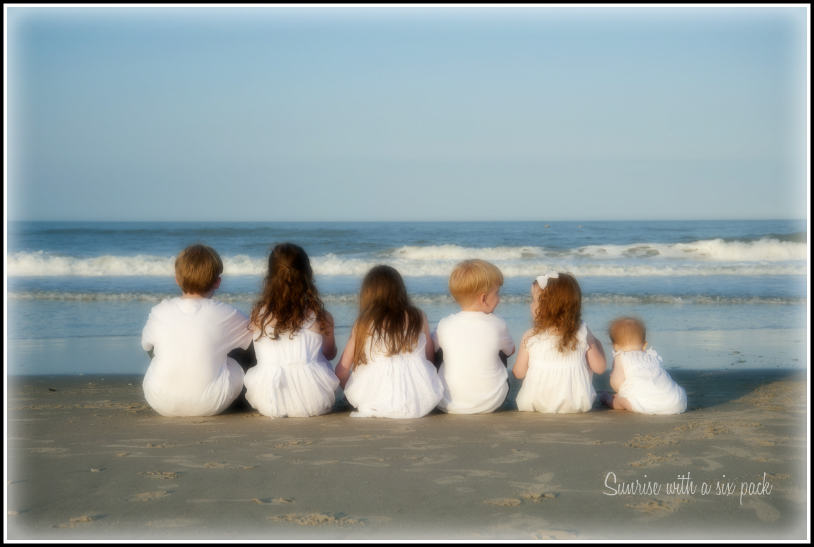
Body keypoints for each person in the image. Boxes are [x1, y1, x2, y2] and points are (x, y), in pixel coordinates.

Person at [142, 244, 253, 417]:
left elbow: (147, 347)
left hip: (159, 401)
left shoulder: (159, 311)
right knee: (245, 348)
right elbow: (257, 338)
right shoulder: (227, 313)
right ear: (217, 282)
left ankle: (175, 382)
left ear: (177, 280)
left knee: (158, 349)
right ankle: (243, 399)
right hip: (210, 403)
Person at [243, 243, 339, 418]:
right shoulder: (321, 317)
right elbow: (330, 354)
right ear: (308, 275)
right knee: (317, 355)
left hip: (269, 401)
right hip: (314, 400)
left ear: (270, 277)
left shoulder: (257, 315)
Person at [335, 265, 444, 419]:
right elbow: (430, 360)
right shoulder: (418, 316)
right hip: (419, 399)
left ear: (367, 295)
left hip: (373, 400)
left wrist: (353, 394)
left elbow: (341, 371)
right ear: (401, 290)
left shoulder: (363, 323)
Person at [512, 272, 606, 413]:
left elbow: (518, 373)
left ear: (547, 307)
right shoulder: (582, 332)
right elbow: (600, 368)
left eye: (534, 300)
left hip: (535, 401)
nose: (531, 305)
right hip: (576, 403)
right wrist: (597, 344)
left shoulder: (530, 336)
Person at [433, 259, 515, 414]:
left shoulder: (444, 324)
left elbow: (430, 352)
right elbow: (510, 351)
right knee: (500, 350)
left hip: (446, 402)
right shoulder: (498, 323)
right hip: (491, 402)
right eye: (497, 293)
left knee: (439, 349)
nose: (499, 297)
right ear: (484, 299)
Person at [599, 317, 687, 414]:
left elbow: (617, 383)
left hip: (644, 404)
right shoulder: (652, 356)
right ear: (644, 345)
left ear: (614, 346)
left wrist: (621, 393)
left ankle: (607, 400)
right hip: (675, 401)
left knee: (620, 400)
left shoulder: (620, 357)